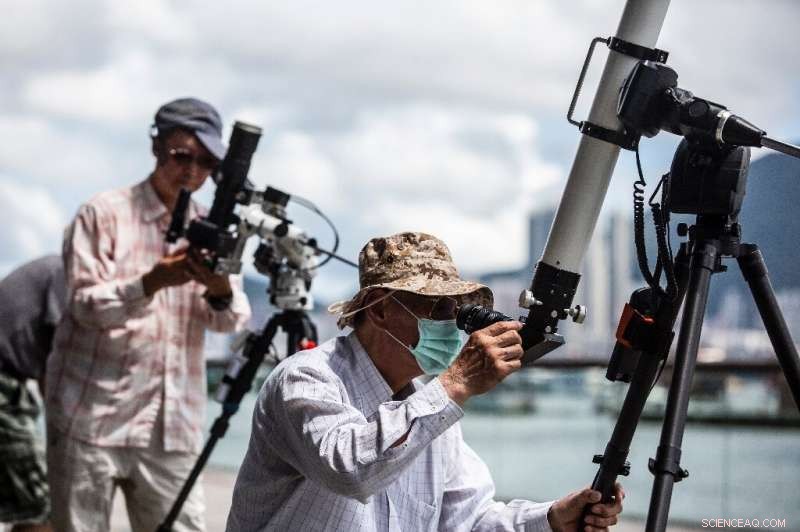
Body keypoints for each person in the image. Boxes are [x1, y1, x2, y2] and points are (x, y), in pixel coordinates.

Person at [226, 232, 623, 531]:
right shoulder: (307, 377)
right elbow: (349, 469)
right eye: (438, 306)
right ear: (381, 309)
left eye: (458, 308)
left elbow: (469, 521)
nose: (453, 322)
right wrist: (454, 384)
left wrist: (553, 518)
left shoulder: (430, 408)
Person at [45, 97, 252, 532]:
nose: (193, 170)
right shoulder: (102, 214)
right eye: (182, 156)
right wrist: (152, 281)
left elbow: (232, 319)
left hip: (171, 427)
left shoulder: (212, 229)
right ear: (156, 147)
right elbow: (84, 306)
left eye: (206, 162)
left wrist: (217, 291)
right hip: (90, 423)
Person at [0, 255, 66, 532]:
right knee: (43, 507)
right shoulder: (67, 273)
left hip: (10, 381)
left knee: (29, 505)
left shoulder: (55, 267)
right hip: (4, 385)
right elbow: (52, 375)